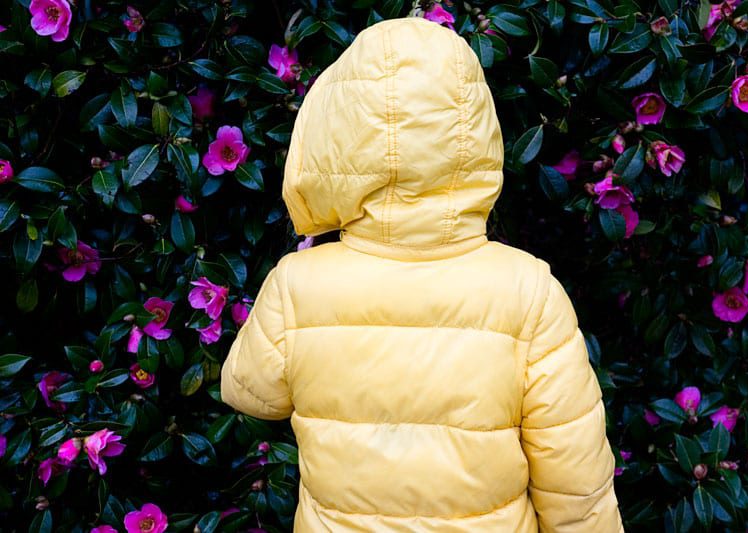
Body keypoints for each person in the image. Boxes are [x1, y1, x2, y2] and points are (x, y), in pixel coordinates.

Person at [221, 15, 624, 533]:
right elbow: (576, 483)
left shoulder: (298, 285)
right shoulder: (529, 291)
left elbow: (249, 392)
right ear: (475, 138)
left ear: (334, 139)